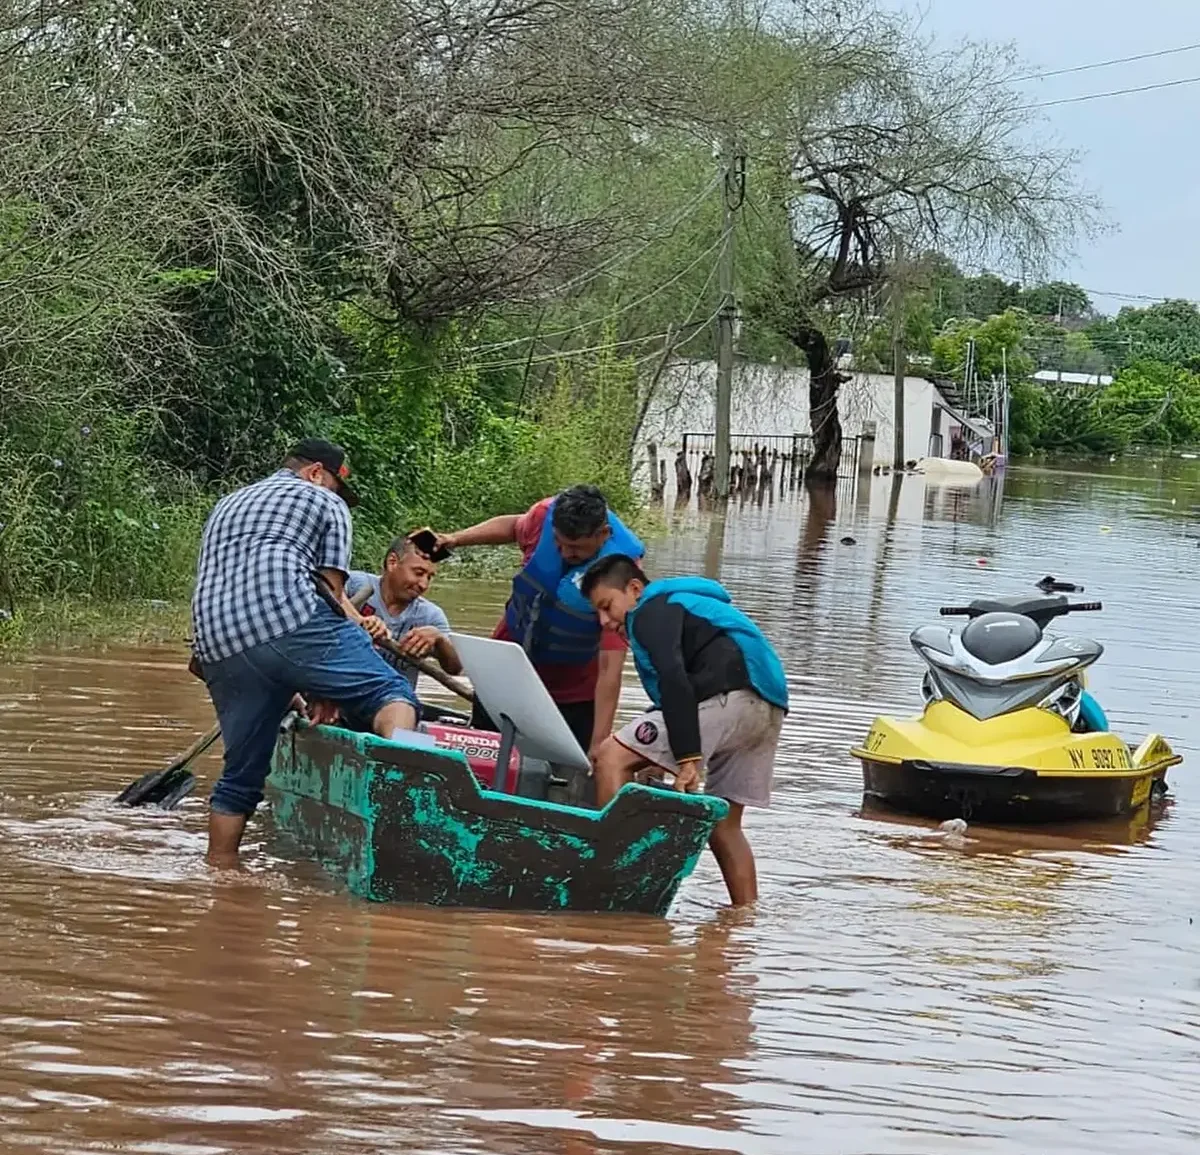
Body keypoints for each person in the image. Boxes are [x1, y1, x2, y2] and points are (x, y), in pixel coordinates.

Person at [190, 438, 420, 868]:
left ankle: (220, 874)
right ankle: (401, 805)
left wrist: (316, 679)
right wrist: (328, 673)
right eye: (334, 484)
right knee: (391, 693)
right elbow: (332, 596)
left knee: (241, 778)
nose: (335, 495)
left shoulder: (229, 502)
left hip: (217, 642)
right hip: (287, 620)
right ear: (316, 473)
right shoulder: (324, 500)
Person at [579, 555, 789, 906]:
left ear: (633, 589)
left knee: (610, 757)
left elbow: (674, 679)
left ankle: (616, 880)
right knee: (725, 824)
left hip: (726, 698)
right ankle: (745, 918)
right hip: (767, 708)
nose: (605, 620)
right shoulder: (688, 604)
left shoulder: (649, 609)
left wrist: (688, 758)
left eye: (607, 606)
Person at [434, 485, 643, 760]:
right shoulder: (544, 515)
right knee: (481, 760)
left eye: (576, 548)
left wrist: (599, 742)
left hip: (572, 692)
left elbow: (610, 668)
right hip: (506, 671)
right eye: (559, 542)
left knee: (563, 775)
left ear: (603, 535)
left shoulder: (621, 575)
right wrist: (454, 539)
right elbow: (513, 527)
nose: (565, 552)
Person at [345, 533, 463, 695]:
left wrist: (440, 640)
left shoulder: (430, 616)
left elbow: (455, 668)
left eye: (430, 577)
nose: (424, 584)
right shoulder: (353, 584)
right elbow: (327, 601)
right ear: (392, 562)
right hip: (341, 692)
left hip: (395, 701)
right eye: (418, 573)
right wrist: (359, 621)